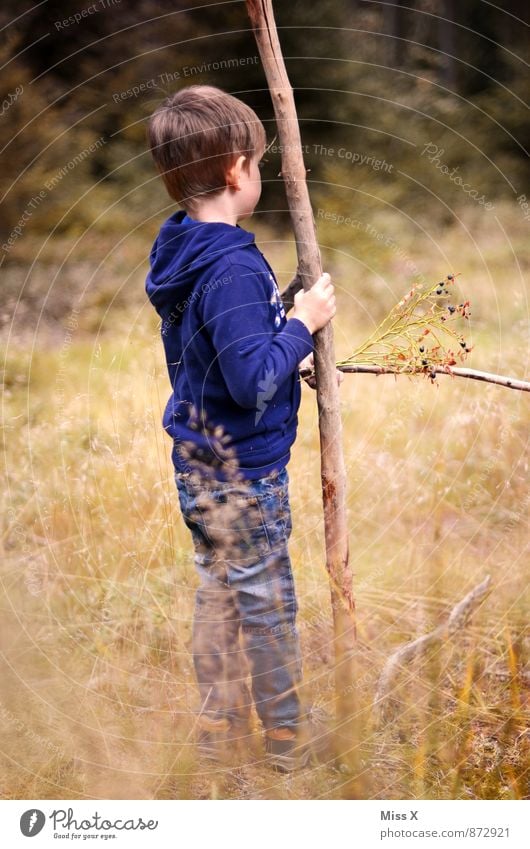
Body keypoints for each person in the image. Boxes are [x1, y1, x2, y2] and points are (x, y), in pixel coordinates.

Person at [145, 85, 337, 772]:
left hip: (199, 471)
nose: (258, 172)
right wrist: (301, 327)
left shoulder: (185, 249)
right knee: (265, 605)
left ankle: (219, 733)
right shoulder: (227, 265)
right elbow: (252, 378)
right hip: (246, 476)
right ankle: (287, 737)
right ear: (236, 171)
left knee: (221, 598)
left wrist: (281, 314)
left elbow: (227, 345)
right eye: (257, 161)